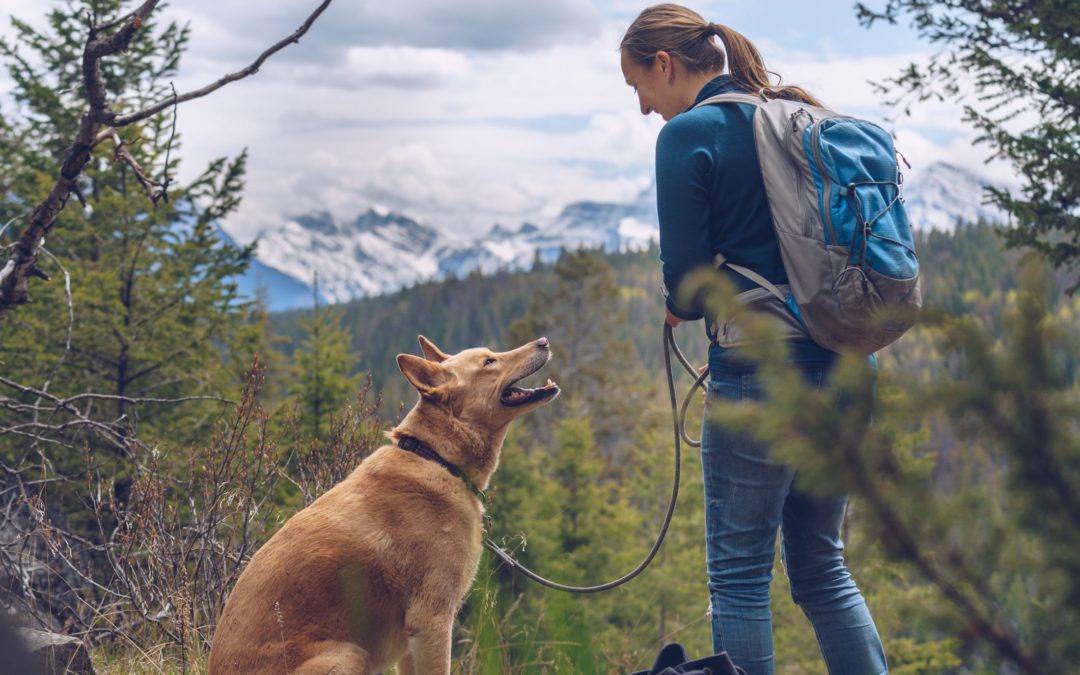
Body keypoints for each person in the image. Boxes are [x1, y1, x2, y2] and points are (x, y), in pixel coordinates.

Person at [619, 5, 889, 674]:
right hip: (851, 360)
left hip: (759, 371)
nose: (645, 108)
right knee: (823, 568)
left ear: (665, 64)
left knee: (739, 577)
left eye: (639, 89)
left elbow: (686, 285)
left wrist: (678, 306)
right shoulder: (800, 116)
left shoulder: (689, 135)